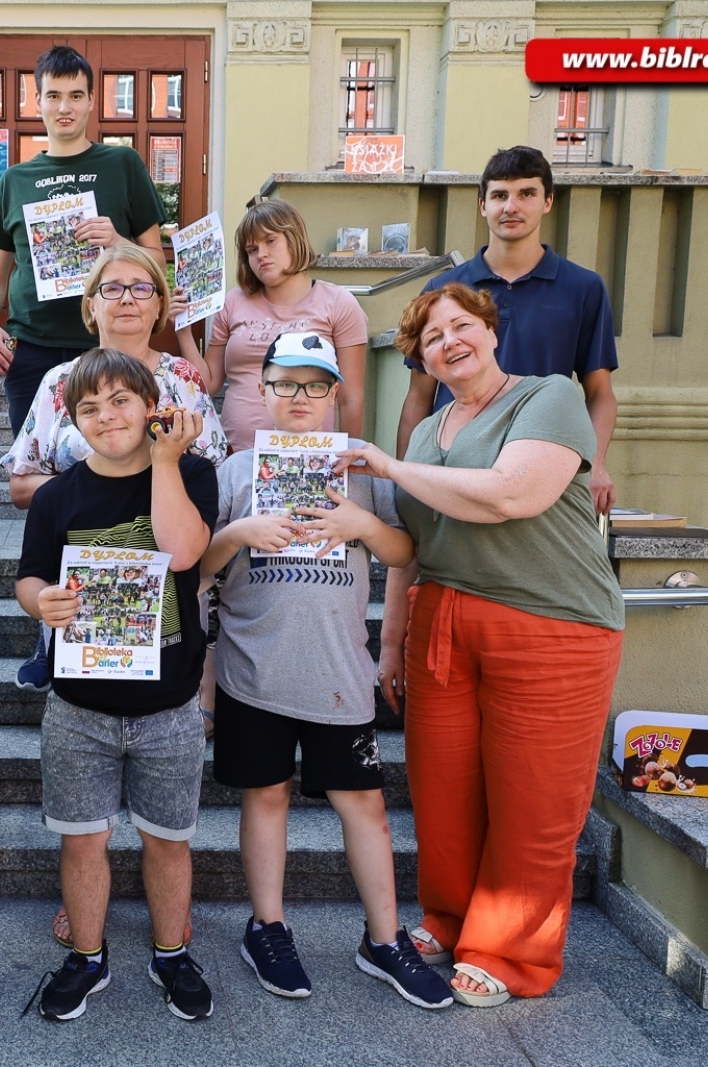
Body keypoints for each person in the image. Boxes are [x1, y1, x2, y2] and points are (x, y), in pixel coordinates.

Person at [351, 283, 625, 1007]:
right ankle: (449, 916)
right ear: (422, 358)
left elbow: (512, 493)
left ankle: (513, 951)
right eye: (432, 336)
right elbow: (412, 548)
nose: (450, 341)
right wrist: (390, 643)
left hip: (551, 625)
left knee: (533, 803)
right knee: (443, 796)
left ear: (491, 329)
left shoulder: (548, 398)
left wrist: (390, 469)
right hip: (441, 621)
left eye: (461, 324)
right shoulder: (423, 433)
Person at [199, 332, 450, 1010]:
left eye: (314, 384)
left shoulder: (361, 469)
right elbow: (198, 566)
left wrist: (359, 524)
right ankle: (268, 924)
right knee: (267, 794)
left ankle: (384, 937)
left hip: (339, 671)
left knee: (363, 801)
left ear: (336, 391)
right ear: (263, 390)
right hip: (254, 667)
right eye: (285, 383)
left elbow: (405, 550)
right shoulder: (236, 471)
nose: (299, 397)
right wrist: (238, 534)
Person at [16, 348, 218, 1022]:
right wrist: (40, 599)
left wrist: (164, 461)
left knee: (168, 839)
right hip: (79, 705)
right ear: (72, 419)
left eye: (121, 401)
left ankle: (170, 952)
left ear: (150, 404)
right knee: (82, 839)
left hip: (169, 704)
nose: (107, 417)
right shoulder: (56, 495)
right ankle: (88, 954)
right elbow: (29, 575)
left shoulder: (191, 472)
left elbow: (184, 551)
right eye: (90, 407)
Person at [2, 244, 227, 693]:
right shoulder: (59, 382)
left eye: (142, 288)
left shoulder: (182, 379)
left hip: (169, 581)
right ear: (91, 305)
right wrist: (96, 483)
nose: (127, 298)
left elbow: (213, 471)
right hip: (83, 588)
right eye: (112, 288)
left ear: (160, 304)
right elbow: (21, 485)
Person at [394, 145, 619, 514]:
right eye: (499, 195)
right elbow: (419, 396)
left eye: (526, 194)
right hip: (455, 467)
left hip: (539, 467)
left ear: (548, 201)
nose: (510, 207)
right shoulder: (444, 290)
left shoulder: (583, 288)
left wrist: (595, 463)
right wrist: (404, 480)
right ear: (483, 204)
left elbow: (600, 393)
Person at [0, 44, 168, 436]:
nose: (65, 107)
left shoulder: (123, 164)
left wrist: (117, 242)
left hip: (107, 343)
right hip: (30, 347)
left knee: (110, 460)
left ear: (91, 101)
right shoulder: (14, 180)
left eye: (76, 96)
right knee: (33, 469)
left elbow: (157, 261)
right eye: (55, 96)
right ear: (38, 102)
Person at [204, 200, 369, 454]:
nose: (261, 255)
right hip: (236, 457)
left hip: (307, 459)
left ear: (294, 238)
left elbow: (350, 398)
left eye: (270, 241)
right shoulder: (233, 302)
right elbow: (209, 383)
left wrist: (349, 461)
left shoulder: (338, 303)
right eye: (251, 249)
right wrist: (183, 329)